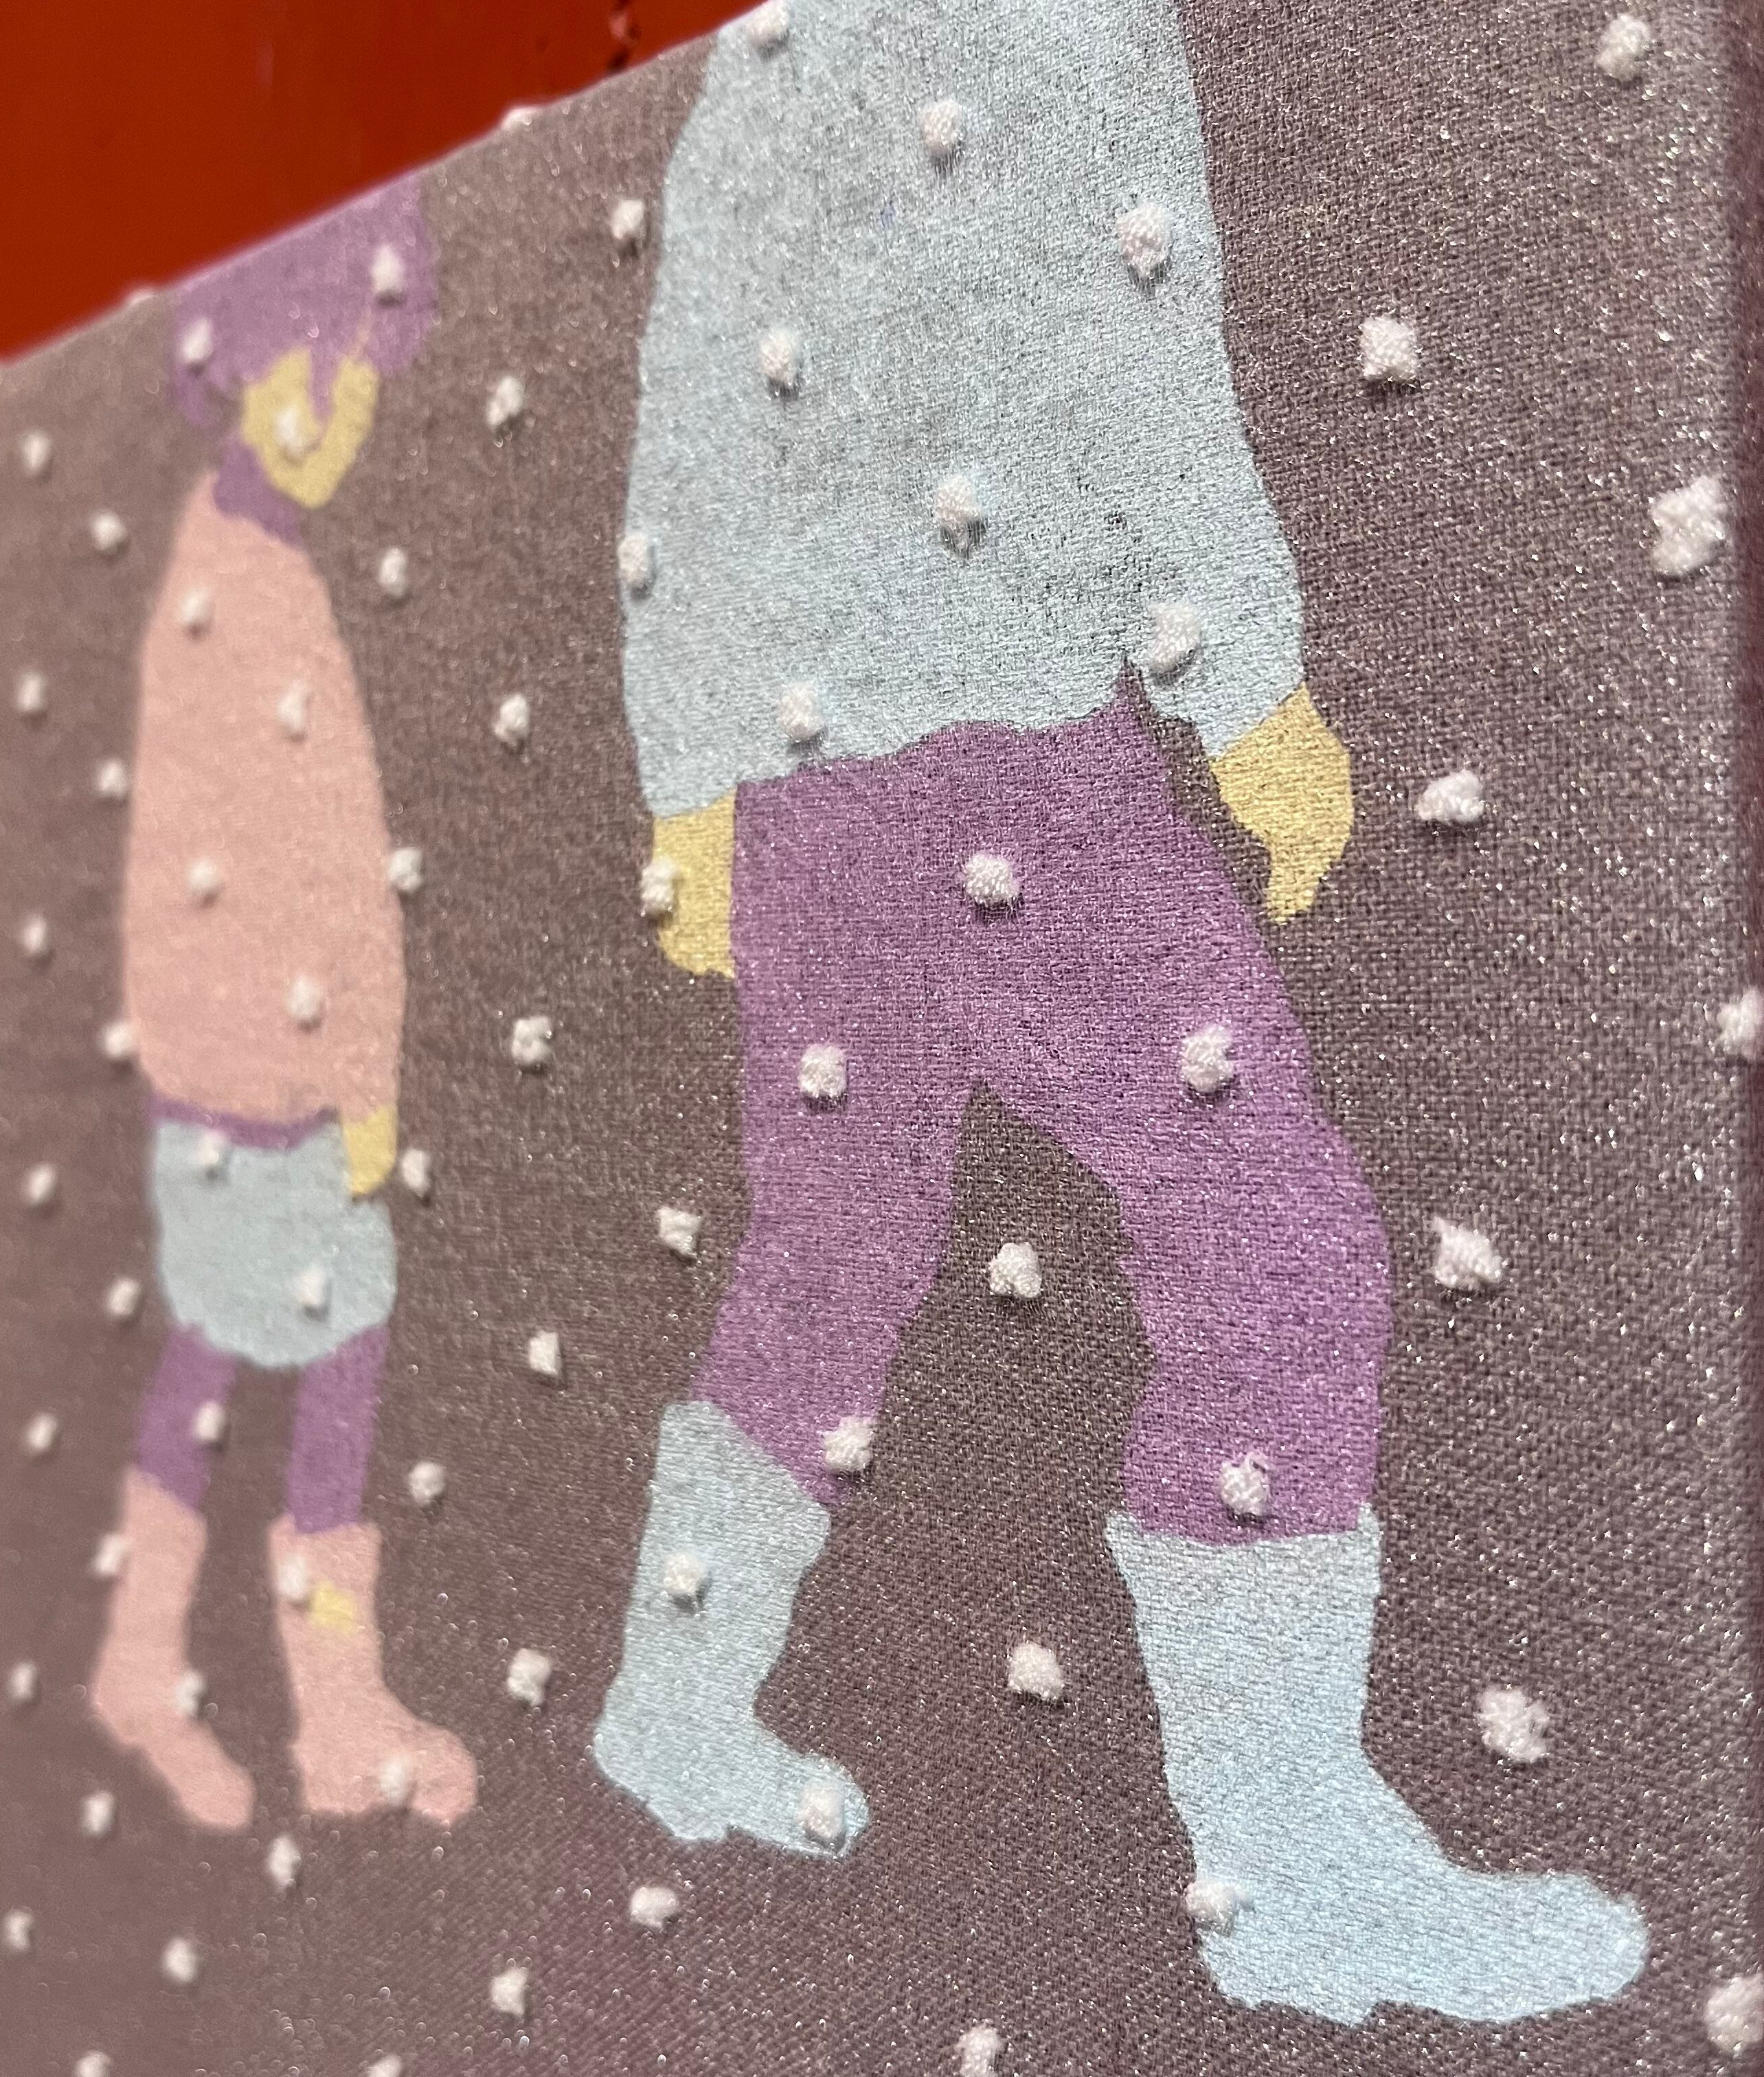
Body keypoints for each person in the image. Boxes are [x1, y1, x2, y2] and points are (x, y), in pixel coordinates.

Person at [591, 0, 1644, 2025]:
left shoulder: (755, 62)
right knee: (1271, 1245)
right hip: (1013, 753)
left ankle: (673, 1694)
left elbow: (688, 429)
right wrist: (1246, 680)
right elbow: (1123, 339)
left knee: (834, 1254)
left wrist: (692, 784)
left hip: (810, 796)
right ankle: (1287, 1859)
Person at [86, 179, 476, 1835]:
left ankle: (171, 1665)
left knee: (230, 1352)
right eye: (326, 375)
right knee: (316, 1355)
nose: (344, 419)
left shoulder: (248, 559)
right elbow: (260, 877)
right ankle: (312, 1706)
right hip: (268, 1085)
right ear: (251, 367)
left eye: (364, 388)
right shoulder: (235, 582)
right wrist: (348, 1076)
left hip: (241, 1077)